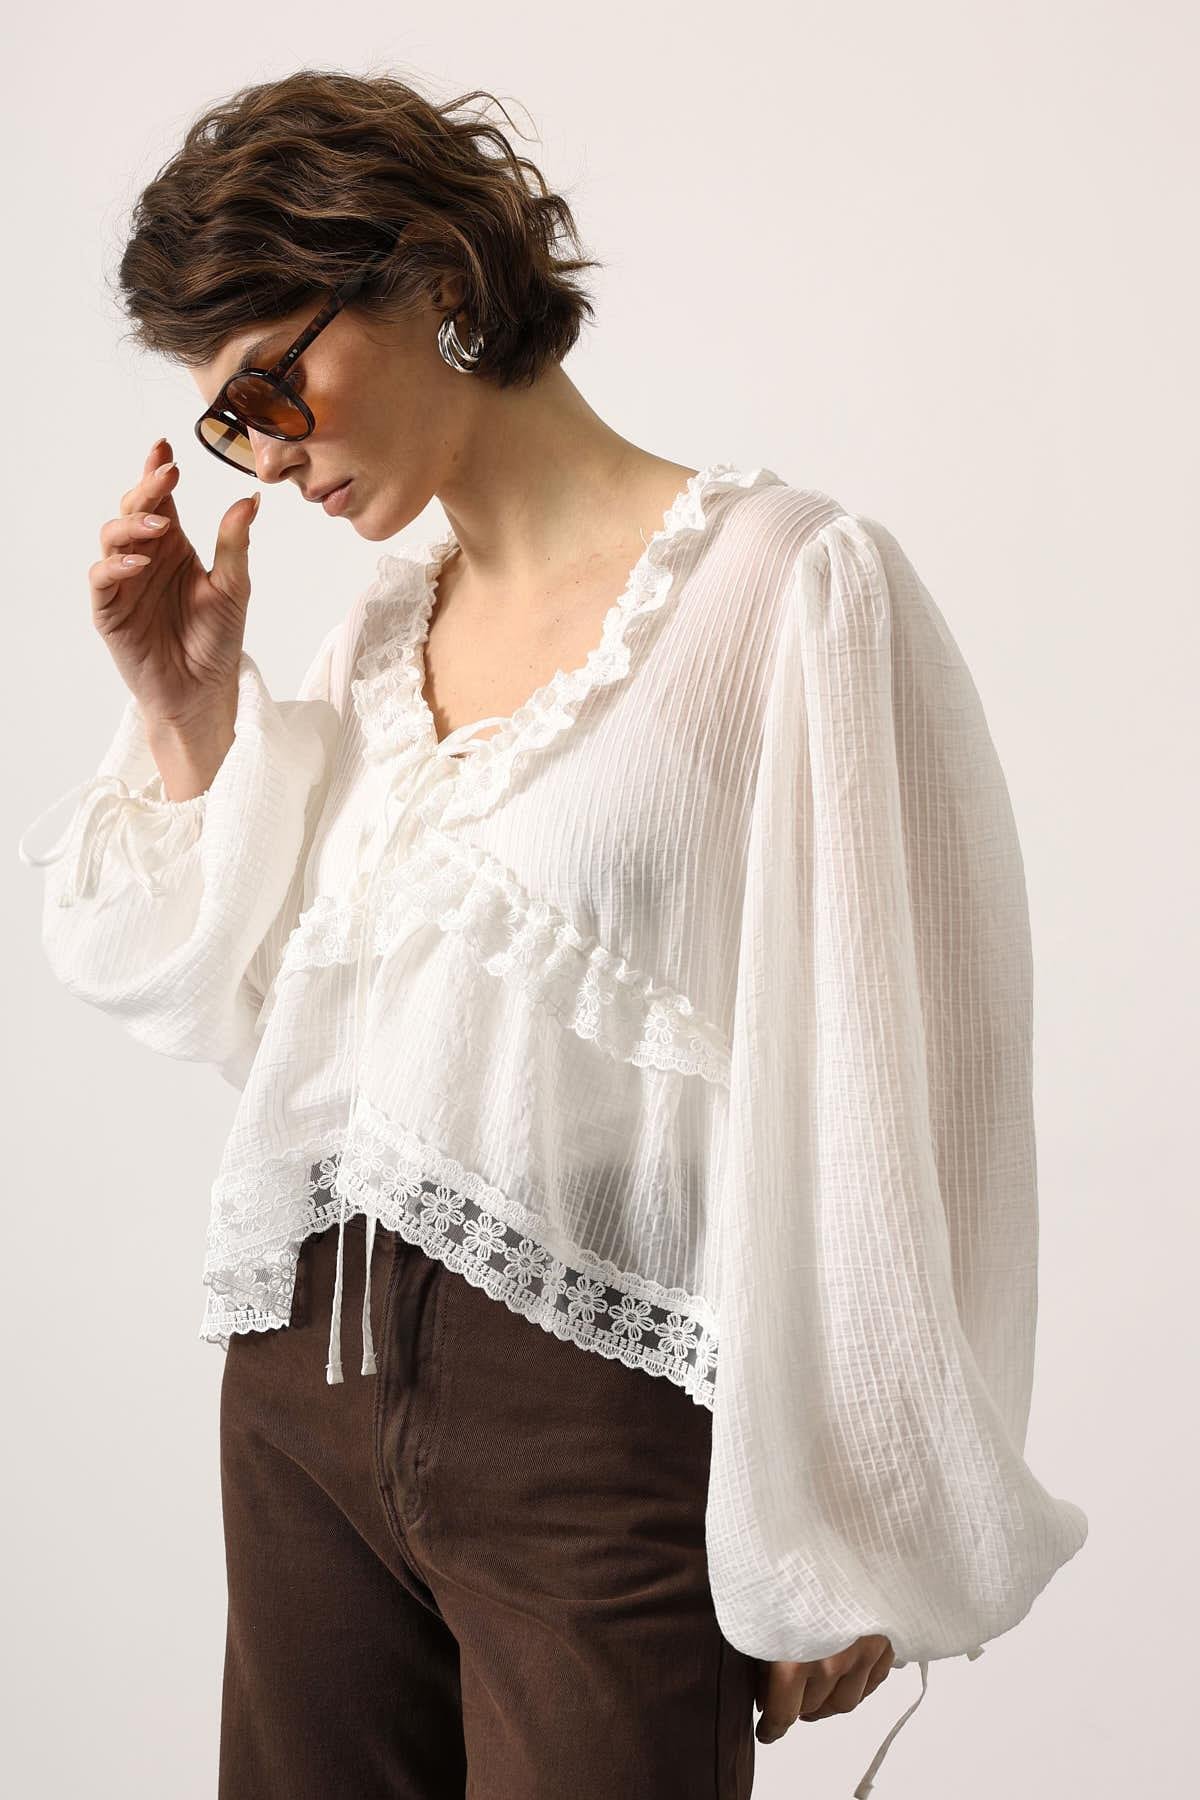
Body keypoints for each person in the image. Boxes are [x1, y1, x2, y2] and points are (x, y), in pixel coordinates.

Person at [16, 68, 1087, 1800]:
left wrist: (845, 1516)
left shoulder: (785, 591)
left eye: (273, 385)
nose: (268, 456)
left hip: (595, 1426)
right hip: (298, 1391)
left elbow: (911, 1077)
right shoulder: (378, 638)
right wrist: (188, 719)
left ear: (437, 276)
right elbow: (268, 1024)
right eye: (229, 427)